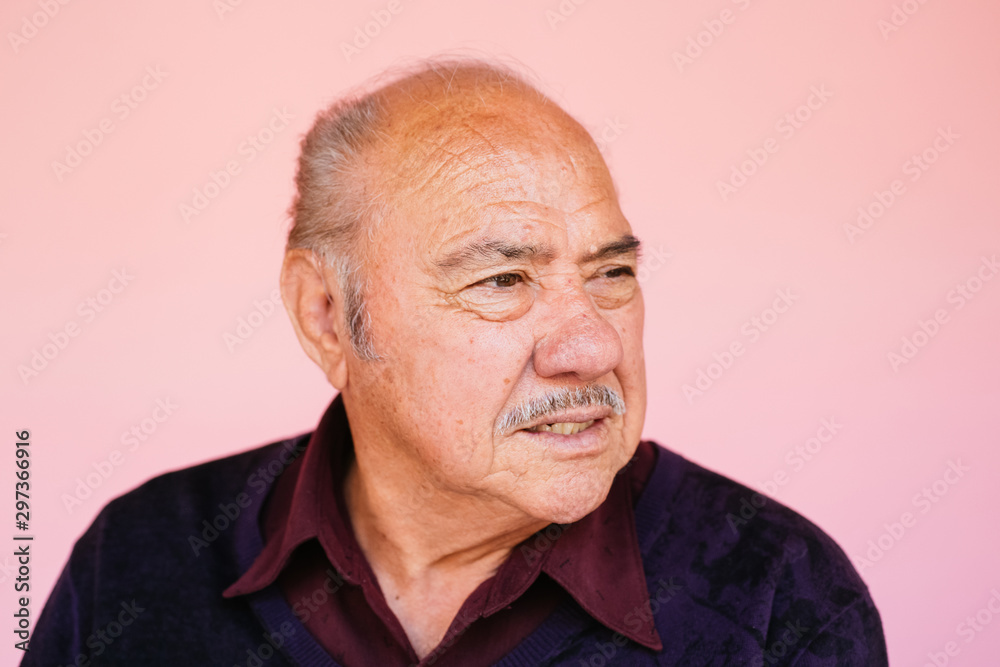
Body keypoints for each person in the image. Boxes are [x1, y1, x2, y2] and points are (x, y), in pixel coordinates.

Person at [25, 58, 887, 666]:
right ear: (326, 317)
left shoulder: (780, 596)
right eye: (504, 279)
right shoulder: (137, 561)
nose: (592, 346)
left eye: (611, 273)